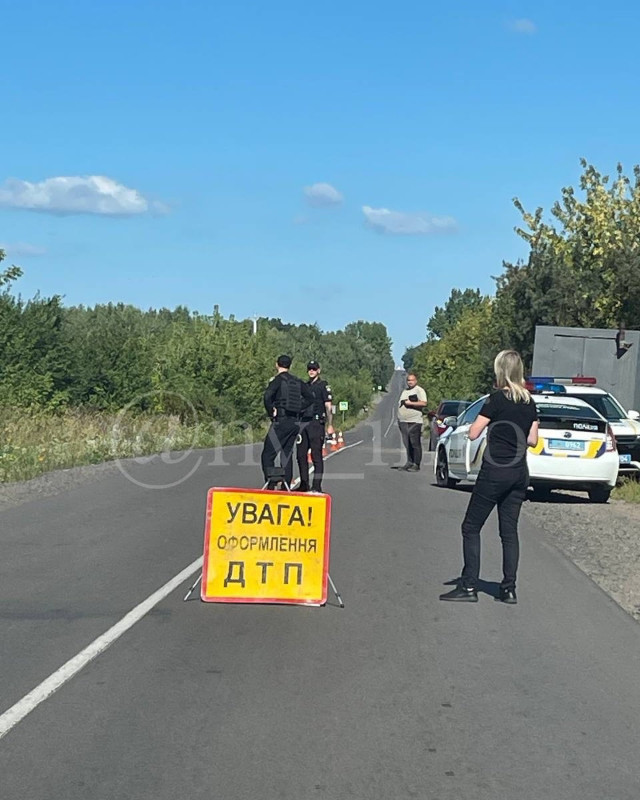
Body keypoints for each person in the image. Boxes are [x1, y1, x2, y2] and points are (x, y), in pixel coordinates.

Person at [440, 350, 539, 604]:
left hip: (495, 471)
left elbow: (473, 432)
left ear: (500, 371)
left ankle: (469, 585)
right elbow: (533, 439)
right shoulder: (529, 402)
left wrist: (489, 429)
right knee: (509, 532)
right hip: (519, 472)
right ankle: (508, 589)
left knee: (471, 527)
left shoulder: (495, 399)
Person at [261, 355, 314, 489]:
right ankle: (286, 486)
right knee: (287, 454)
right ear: (289, 366)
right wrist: (299, 408)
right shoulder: (297, 381)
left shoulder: (278, 380)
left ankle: (271, 483)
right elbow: (310, 398)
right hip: (295, 423)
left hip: (281, 421)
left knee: (268, 454)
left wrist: (271, 411)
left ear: (276, 364)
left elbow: (267, 397)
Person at [296, 360, 334, 493]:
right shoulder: (305, 386)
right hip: (303, 423)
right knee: (301, 455)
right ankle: (304, 484)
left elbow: (328, 406)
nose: (311, 371)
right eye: (309, 369)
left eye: (314, 369)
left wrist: (330, 425)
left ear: (318, 370)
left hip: (317, 423)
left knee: (316, 455)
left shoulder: (323, 386)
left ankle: (316, 486)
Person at [397, 372, 428, 471]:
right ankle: (409, 462)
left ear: (416, 381)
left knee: (415, 443)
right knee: (407, 443)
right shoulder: (405, 391)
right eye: (408, 380)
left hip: (414, 421)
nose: (410, 382)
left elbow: (424, 403)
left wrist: (410, 403)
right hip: (403, 421)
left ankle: (416, 464)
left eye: (412, 380)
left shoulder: (419, 390)